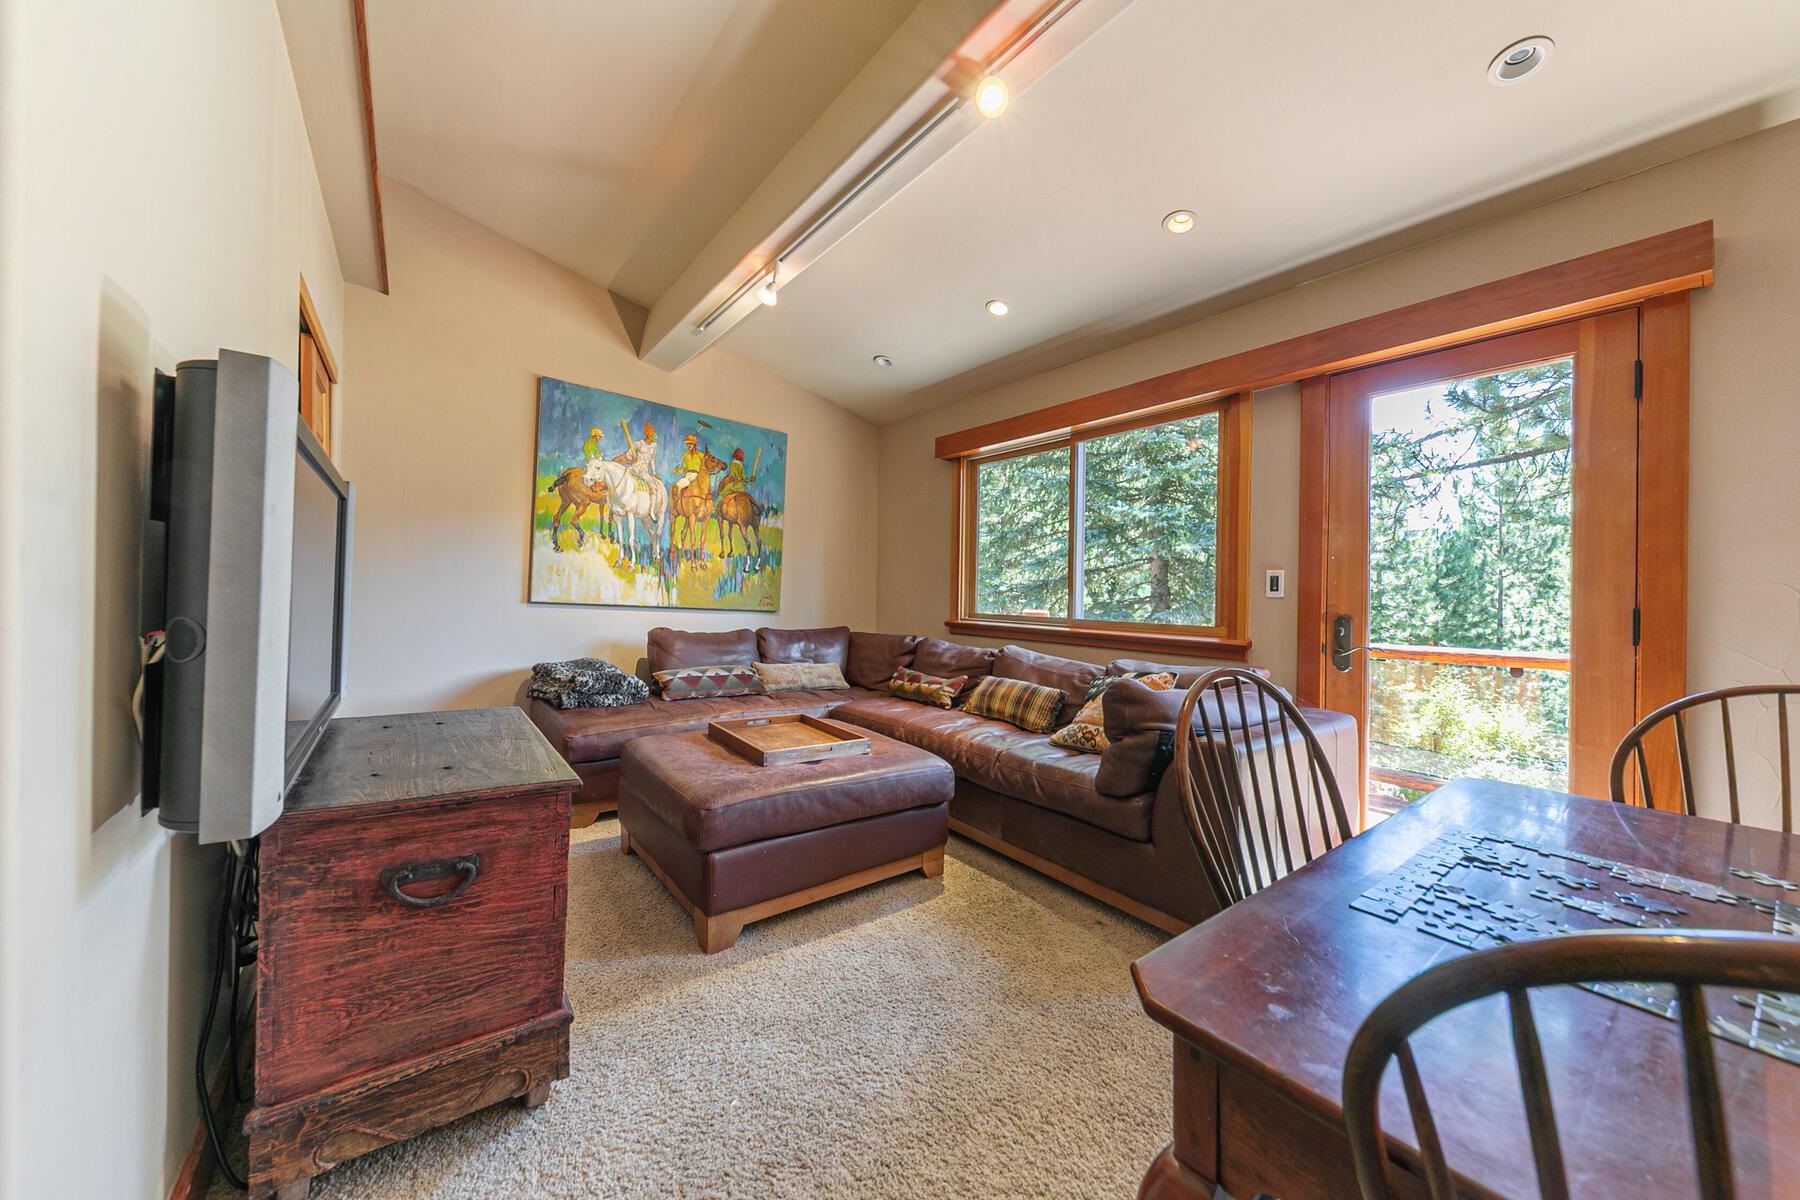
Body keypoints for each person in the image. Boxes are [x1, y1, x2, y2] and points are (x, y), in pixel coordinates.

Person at [673, 433, 708, 497]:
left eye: (690, 443)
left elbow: (705, 466)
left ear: (694, 444)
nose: (688, 445)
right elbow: (685, 468)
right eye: (687, 444)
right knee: (676, 487)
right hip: (688, 476)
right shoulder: (686, 455)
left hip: (697, 476)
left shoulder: (701, 455)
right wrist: (678, 471)